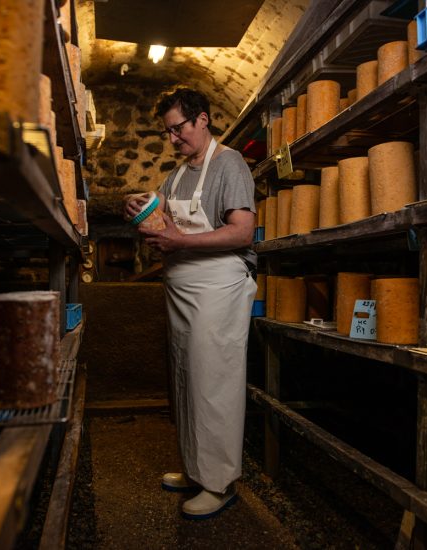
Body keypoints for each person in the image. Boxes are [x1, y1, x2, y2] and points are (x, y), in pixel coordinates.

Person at [124, 87, 257, 520]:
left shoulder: (229, 164)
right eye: (167, 132)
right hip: (182, 288)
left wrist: (181, 240)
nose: (173, 138)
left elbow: (242, 233)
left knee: (214, 381)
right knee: (186, 379)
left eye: (178, 128)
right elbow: (160, 214)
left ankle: (220, 485)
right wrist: (141, 206)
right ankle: (197, 469)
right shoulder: (178, 175)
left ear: (202, 120)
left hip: (218, 287)